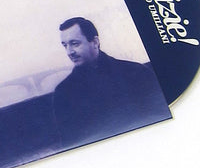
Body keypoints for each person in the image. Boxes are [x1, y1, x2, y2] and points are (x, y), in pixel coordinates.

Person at [51, 16, 169, 147]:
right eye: (65, 45)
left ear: (95, 42)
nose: (69, 52)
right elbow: (71, 144)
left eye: (75, 43)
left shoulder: (136, 73)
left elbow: (162, 119)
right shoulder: (63, 93)